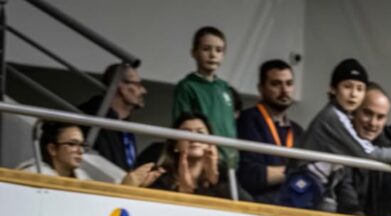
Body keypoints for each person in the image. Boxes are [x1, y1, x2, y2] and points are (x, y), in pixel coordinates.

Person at [280, 65, 391, 210]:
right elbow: (366, 153)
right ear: (333, 89)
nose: (353, 94)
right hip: (303, 189)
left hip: (315, 189)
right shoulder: (333, 116)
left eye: (360, 89)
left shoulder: (342, 115)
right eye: (347, 87)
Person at [236, 59, 304, 204]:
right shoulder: (248, 120)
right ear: (261, 88)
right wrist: (293, 173)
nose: (285, 90)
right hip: (259, 206)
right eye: (276, 84)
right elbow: (250, 175)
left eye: (289, 83)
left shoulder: (297, 130)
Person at [172, 27, 238, 169]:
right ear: (194, 52)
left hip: (229, 161)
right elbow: (181, 124)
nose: (213, 55)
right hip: (203, 161)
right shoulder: (187, 86)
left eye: (218, 50)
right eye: (206, 49)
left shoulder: (225, 88)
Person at [336, 85, 391, 216]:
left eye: (380, 117)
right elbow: (344, 191)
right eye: (367, 113)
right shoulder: (338, 142)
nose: (373, 123)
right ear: (355, 111)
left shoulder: (390, 150)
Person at [25, 121, 162, 187]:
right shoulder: (31, 175)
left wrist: (133, 187)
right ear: (52, 149)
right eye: (72, 144)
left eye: (82, 145)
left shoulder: (83, 177)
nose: (80, 151)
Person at [150, 112, 238, 198]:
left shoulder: (224, 174)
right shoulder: (160, 174)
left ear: (210, 143)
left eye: (200, 133)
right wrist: (182, 192)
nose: (194, 138)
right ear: (175, 144)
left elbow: (245, 202)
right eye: (186, 133)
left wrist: (214, 180)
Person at [79, 64, 146, 171]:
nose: (143, 91)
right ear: (121, 86)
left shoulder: (125, 124)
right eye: (138, 85)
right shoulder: (91, 120)